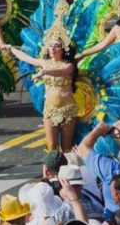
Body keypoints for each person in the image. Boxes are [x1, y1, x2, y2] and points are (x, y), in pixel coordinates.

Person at [7, 12, 78, 151]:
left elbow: (61, 72)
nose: (52, 49)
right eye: (50, 46)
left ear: (63, 48)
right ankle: (52, 170)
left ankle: (66, 172)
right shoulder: (43, 63)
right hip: (50, 110)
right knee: (52, 146)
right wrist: (10, 48)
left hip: (68, 110)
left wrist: (45, 72)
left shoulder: (68, 65)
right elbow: (25, 57)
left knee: (66, 147)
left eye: (56, 46)